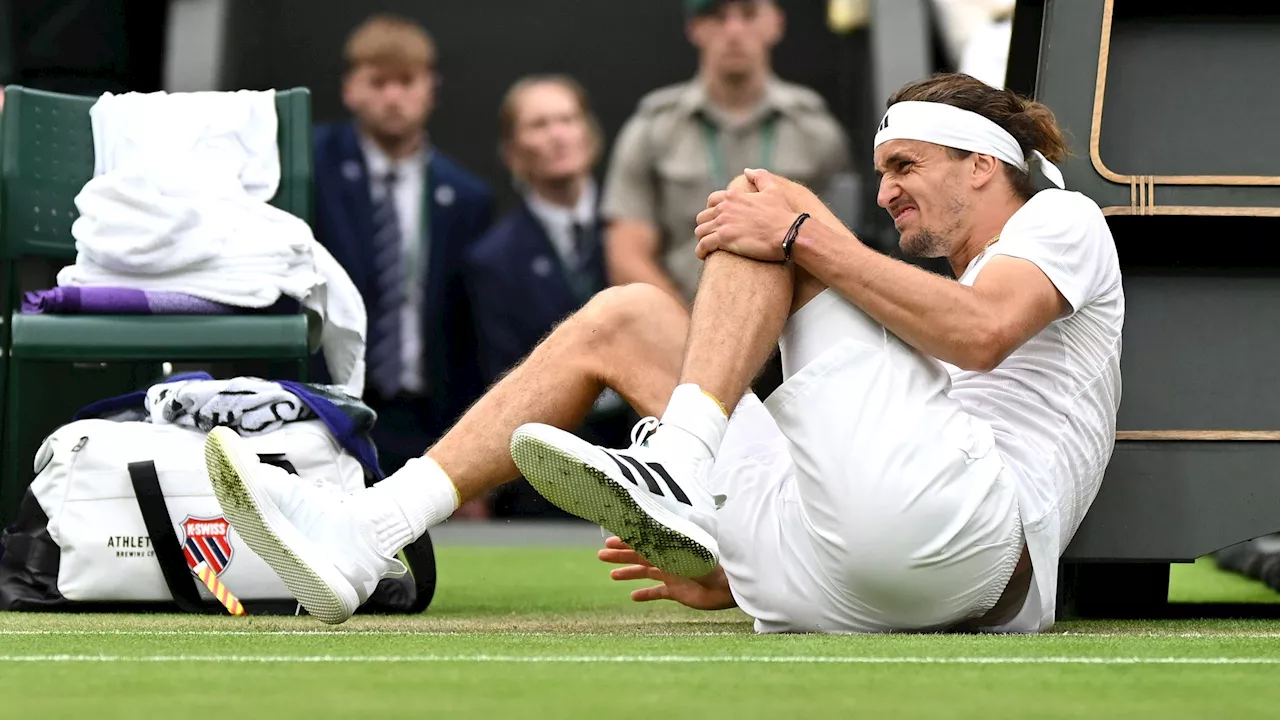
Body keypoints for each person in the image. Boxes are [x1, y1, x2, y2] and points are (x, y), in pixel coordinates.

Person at [203, 73, 1123, 634]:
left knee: (768, 204)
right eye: (880, 173)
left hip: (971, 548)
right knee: (627, 315)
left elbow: (983, 333)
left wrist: (804, 229)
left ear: (983, 165)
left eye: (905, 169)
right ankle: (366, 533)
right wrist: (742, 572)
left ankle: (677, 469)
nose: (884, 193)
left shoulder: (1062, 218)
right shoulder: (927, 282)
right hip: (836, 577)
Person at [312, 13, 493, 477]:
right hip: (328, 406)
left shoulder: (467, 196)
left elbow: (467, 330)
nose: (393, 97)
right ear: (351, 88)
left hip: (427, 416)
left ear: (431, 87)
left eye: (407, 81)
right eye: (377, 82)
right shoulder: (312, 170)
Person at [602, 0, 852, 307]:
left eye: (749, 15)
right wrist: (693, 334)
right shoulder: (653, 129)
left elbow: (844, 249)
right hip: (683, 325)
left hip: (795, 328)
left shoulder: (815, 130)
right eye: (717, 17)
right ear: (694, 29)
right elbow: (627, 253)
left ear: (775, 23)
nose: (734, 31)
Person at [463, 75, 633, 517]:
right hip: (548, 480)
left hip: (649, 457)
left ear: (589, 135)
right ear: (512, 151)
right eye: (538, 125)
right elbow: (501, 378)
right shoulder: (492, 260)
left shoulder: (637, 236)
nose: (557, 135)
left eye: (566, 120)